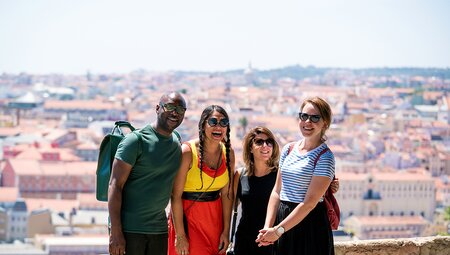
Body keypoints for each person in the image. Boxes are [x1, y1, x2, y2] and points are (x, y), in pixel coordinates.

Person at [108, 92, 187, 255]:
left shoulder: (176, 141)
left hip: (159, 230)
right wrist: (115, 231)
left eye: (180, 110)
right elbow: (115, 185)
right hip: (129, 229)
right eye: (170, 107)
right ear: (157, 108)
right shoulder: (135, 141)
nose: (175, 113)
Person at [256, 96, 336, 255]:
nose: (308, 122)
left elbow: (309, 203)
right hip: (284, 221)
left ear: (325, 123)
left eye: (315, 118)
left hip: (309, 224)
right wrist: (268, 228)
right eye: (304, 116)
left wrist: (277, 231)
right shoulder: (288, 149)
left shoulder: (325, 157)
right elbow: (277, 191)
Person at [168, 105, 235, 255]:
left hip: (215, 222)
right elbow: (175, 196)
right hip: (188, 222)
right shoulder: (187, 152)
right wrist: (180, 235)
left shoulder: (228, 153)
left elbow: (226, 195)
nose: (219, 127)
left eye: (224, 123)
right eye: (213, 122)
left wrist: (225, 231)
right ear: (202, 124)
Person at [232, 126, 280, 255]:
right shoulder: (240, 175)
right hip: (244, 242)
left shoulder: (280, 175)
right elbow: (230, 206)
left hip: (272, 241)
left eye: (269, 142)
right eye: (259, 142)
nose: (265, 145)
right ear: (250, 148)